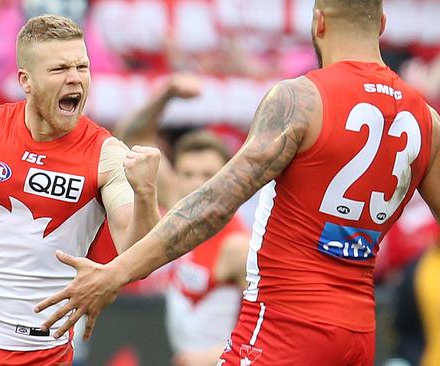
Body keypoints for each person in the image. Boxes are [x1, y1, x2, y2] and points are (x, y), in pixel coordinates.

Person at [35, 1, 440, 365]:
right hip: (359, 332)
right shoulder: (427, 120)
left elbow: (213, 204)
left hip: (285, 327)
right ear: (383, 24)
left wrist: (115, 273)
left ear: (318, 23)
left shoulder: (301, 100)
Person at [0, 14, 161, 366]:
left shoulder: (107, 154)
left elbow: (136, 254)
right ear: (26, 80)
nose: (75, 78)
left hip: (39, 355)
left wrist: (146, 194)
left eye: (82, 67)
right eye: (59, 69)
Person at [115, 75, 250, 366]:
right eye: (188, 175)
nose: (197, 185)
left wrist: (214, 357)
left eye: (208, 176)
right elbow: (131, 139)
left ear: (227, 181)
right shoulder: (180, 203)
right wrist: (164, 95)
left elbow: (277, 326)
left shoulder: (237, 246)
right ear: (176, 178)